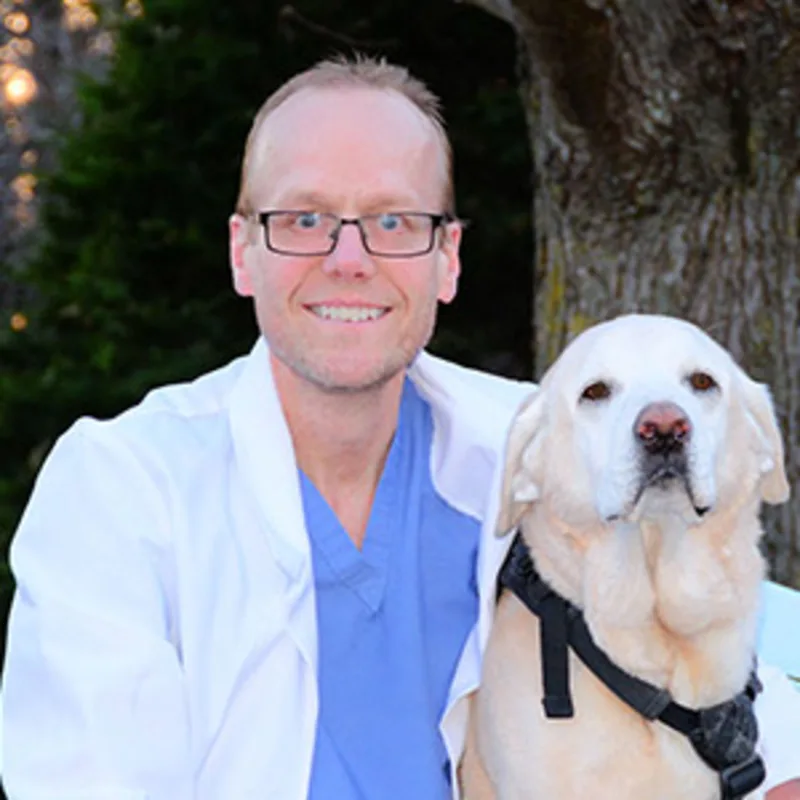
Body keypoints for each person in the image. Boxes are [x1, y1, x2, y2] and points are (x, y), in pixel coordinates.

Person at [2, 55, 799, 800]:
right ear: (243, 252)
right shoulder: (118, 489)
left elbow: (716, 647)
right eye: (304, 217)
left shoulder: (542, 443)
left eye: (393, 221)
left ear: (446, 258)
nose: (349, 259)